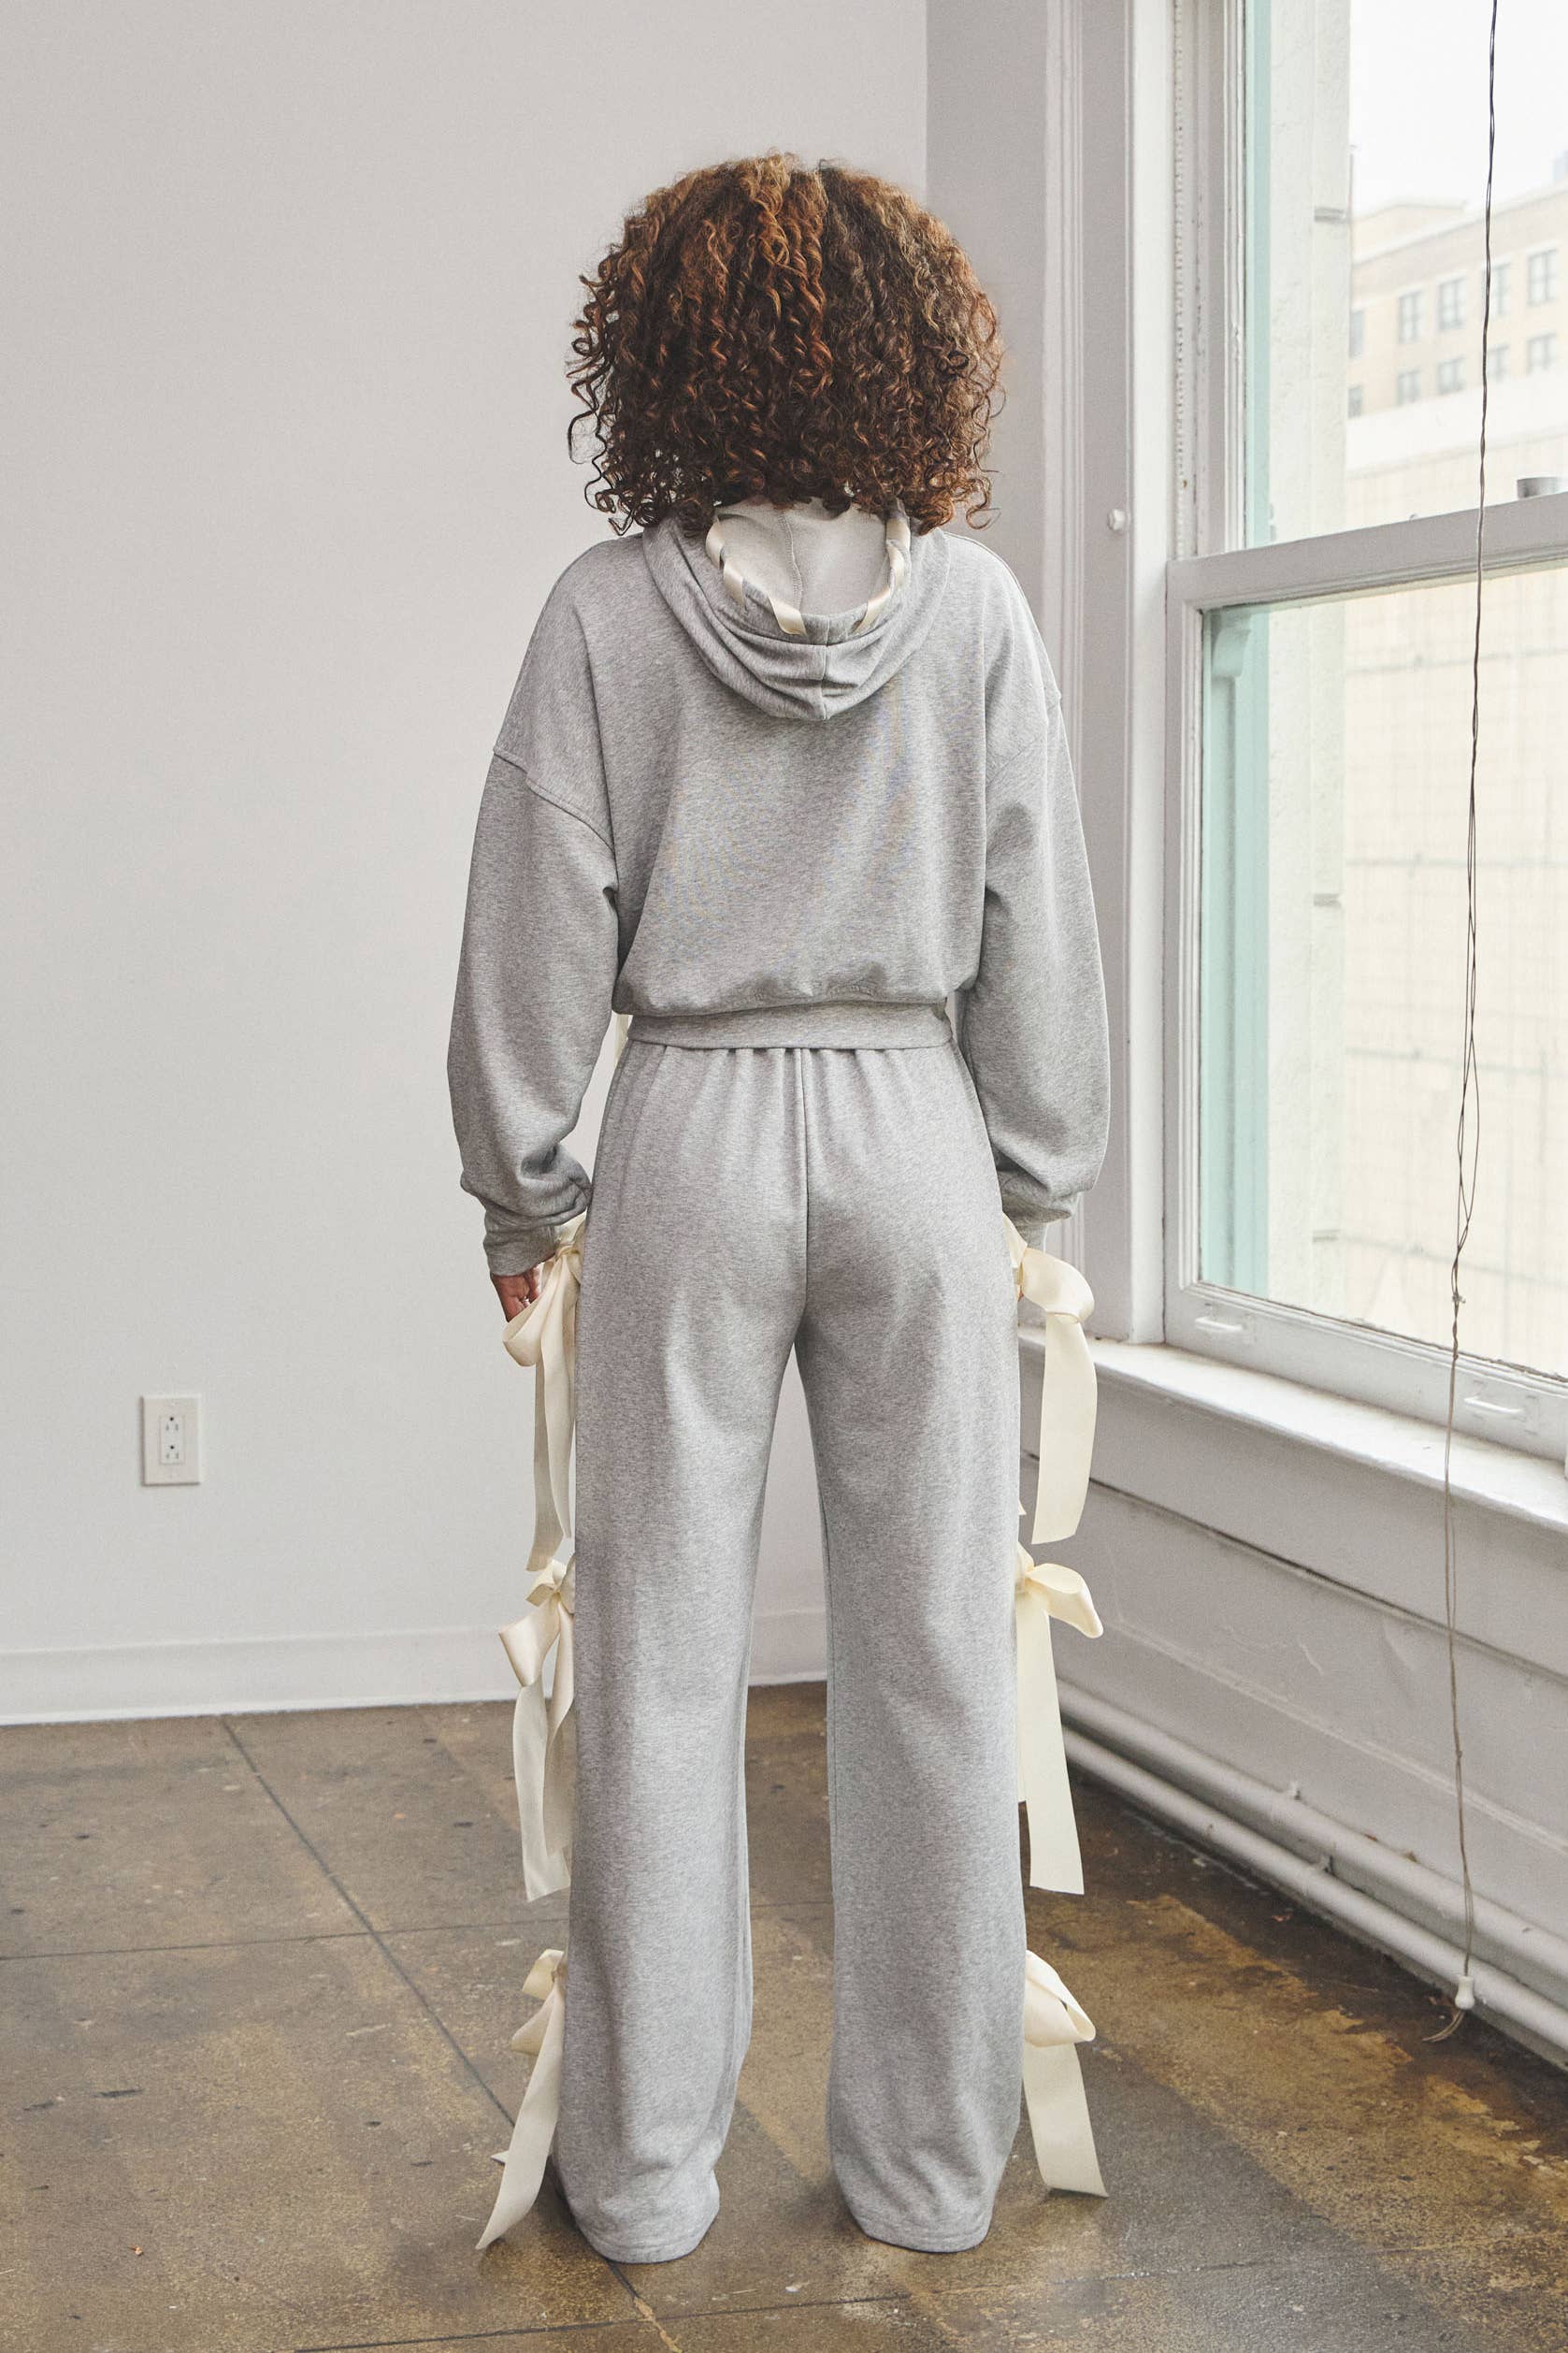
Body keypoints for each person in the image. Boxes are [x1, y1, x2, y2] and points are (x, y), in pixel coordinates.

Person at [446, 150, 1110, 2265]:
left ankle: (644, 2178)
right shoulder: (975, 613)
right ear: (916, 354)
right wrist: (1035, 1173)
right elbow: (1033, 912)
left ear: (658, 354)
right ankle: (927, 2171)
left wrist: (519, 1189)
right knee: (935, 1662)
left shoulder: (602, 614)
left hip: (692, 1132)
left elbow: (535, 910)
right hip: (915, 1130)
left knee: (656, 1660)